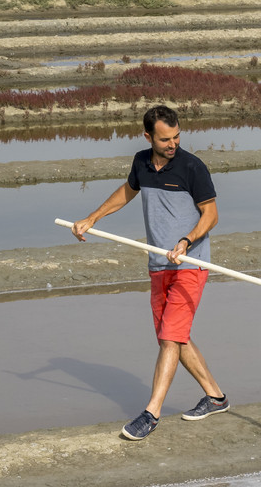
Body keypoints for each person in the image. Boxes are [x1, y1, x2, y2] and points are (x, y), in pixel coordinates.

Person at [72, 104, 228, 440]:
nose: (173, 144)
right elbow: (127, 191)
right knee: (172, 336)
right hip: (159, 265)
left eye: (176, 137)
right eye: (165, 139)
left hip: (190, 263)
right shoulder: (142, 163)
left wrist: (186, 242)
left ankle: (151, 413)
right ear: (148, 136)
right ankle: (216, 397)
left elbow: (211, 215)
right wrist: (92, 218)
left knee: (171, 336)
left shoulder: (192, 167)